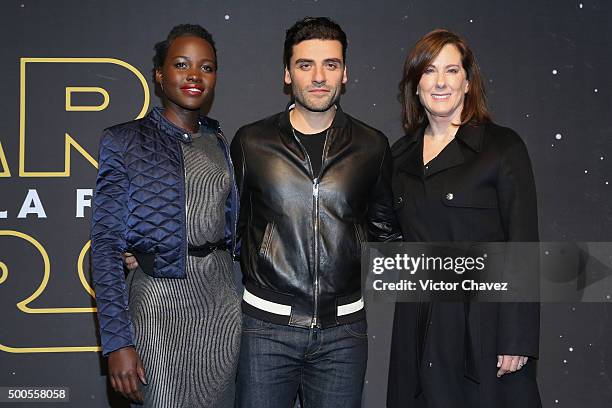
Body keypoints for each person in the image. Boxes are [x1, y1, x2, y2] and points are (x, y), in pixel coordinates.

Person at [231, 17, 401, 408]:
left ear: (345, 73)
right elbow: (230, 230)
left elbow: (384, 234)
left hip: (343, 333)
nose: (319, 76)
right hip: (265, 330)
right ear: (287, 74)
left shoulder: (372, 145)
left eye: (331, 64)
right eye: (306, 65)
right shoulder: (251, 142)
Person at [386, 29, 541, 407]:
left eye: (451, 71)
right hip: (416, 322)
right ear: (415, 84)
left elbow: (523, 245)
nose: (440, 82)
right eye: (429, 71)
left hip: (482, 325)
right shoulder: (398, 156)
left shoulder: (502, 147)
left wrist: (516, 339)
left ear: (468, 82)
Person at [91, 24, 241, 407]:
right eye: (181, 64)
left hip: (221, 303)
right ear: (159, 74)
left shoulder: (218, 139)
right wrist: (118, 342)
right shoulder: (124, 140)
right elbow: (106, 246)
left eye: (206, 68)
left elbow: (229, 225)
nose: (194, 75)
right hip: (158, 303)